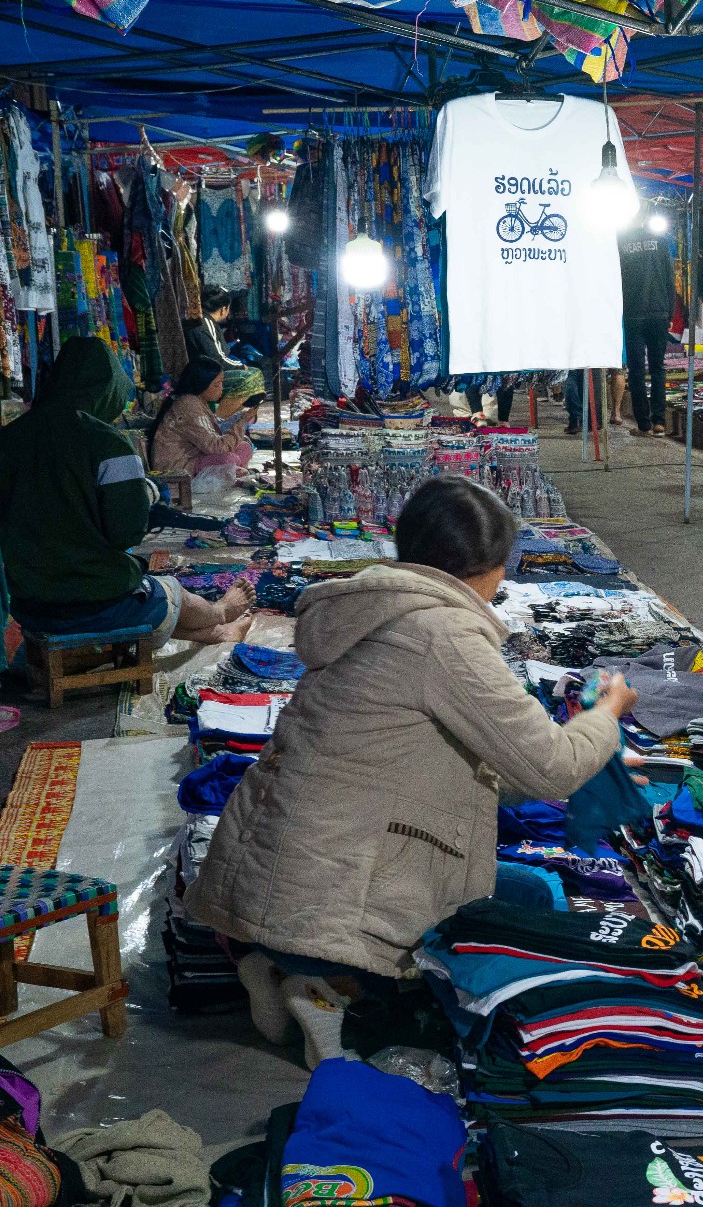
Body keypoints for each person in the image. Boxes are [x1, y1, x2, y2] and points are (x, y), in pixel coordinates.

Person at [186, 476, 642, 1063]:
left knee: (512, 888)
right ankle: (336, 999)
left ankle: (274, 967)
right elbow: (551, 771)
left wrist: (596, 750)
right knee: (529, 907)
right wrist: (607, 715)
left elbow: (484, 768)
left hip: (277, 876)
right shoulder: (445, 635)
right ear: (490, 566)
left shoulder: (369, 612)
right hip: (333, 891)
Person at [0, 337, 255, 650]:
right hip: (94, 602)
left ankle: (217, 633)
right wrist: (145, 495)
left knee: (146, 593)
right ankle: (219, 612)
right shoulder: (107, 444)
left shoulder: (9, 439)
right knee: (171, 593)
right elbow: (127, 532)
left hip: (28, 605)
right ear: (107, 387)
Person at [148, 357, 256, 481]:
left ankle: (235, 477)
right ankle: (234, 478)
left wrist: (240, 418)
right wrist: (242, 422)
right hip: (178, 466)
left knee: (244, 446)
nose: (221, 388)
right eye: (216, 385)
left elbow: (213, 432)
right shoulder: (188, 404)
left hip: (197, 457)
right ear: (202, 384)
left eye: (222, 383)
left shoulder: (198, 401)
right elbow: (217, 447)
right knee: (229, 459)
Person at [619, 219, 677, 437]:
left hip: (633, 314)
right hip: (659, 312)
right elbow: (670, 279)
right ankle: (659, 422)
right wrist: (670, 312)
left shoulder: (621, 243)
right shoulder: (661, 242)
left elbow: (617, 279)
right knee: (657, 368)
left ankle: (644, 424)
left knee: (636, 371)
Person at [184, 287, 263, 410]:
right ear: (223, 309)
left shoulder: (204, 321)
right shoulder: (205, 323)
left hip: (201, 373)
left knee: (254, 377)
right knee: (253, 375)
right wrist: (241, 366)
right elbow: (218, 359)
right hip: (201, 377)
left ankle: (225, 419)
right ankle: (220, 421)